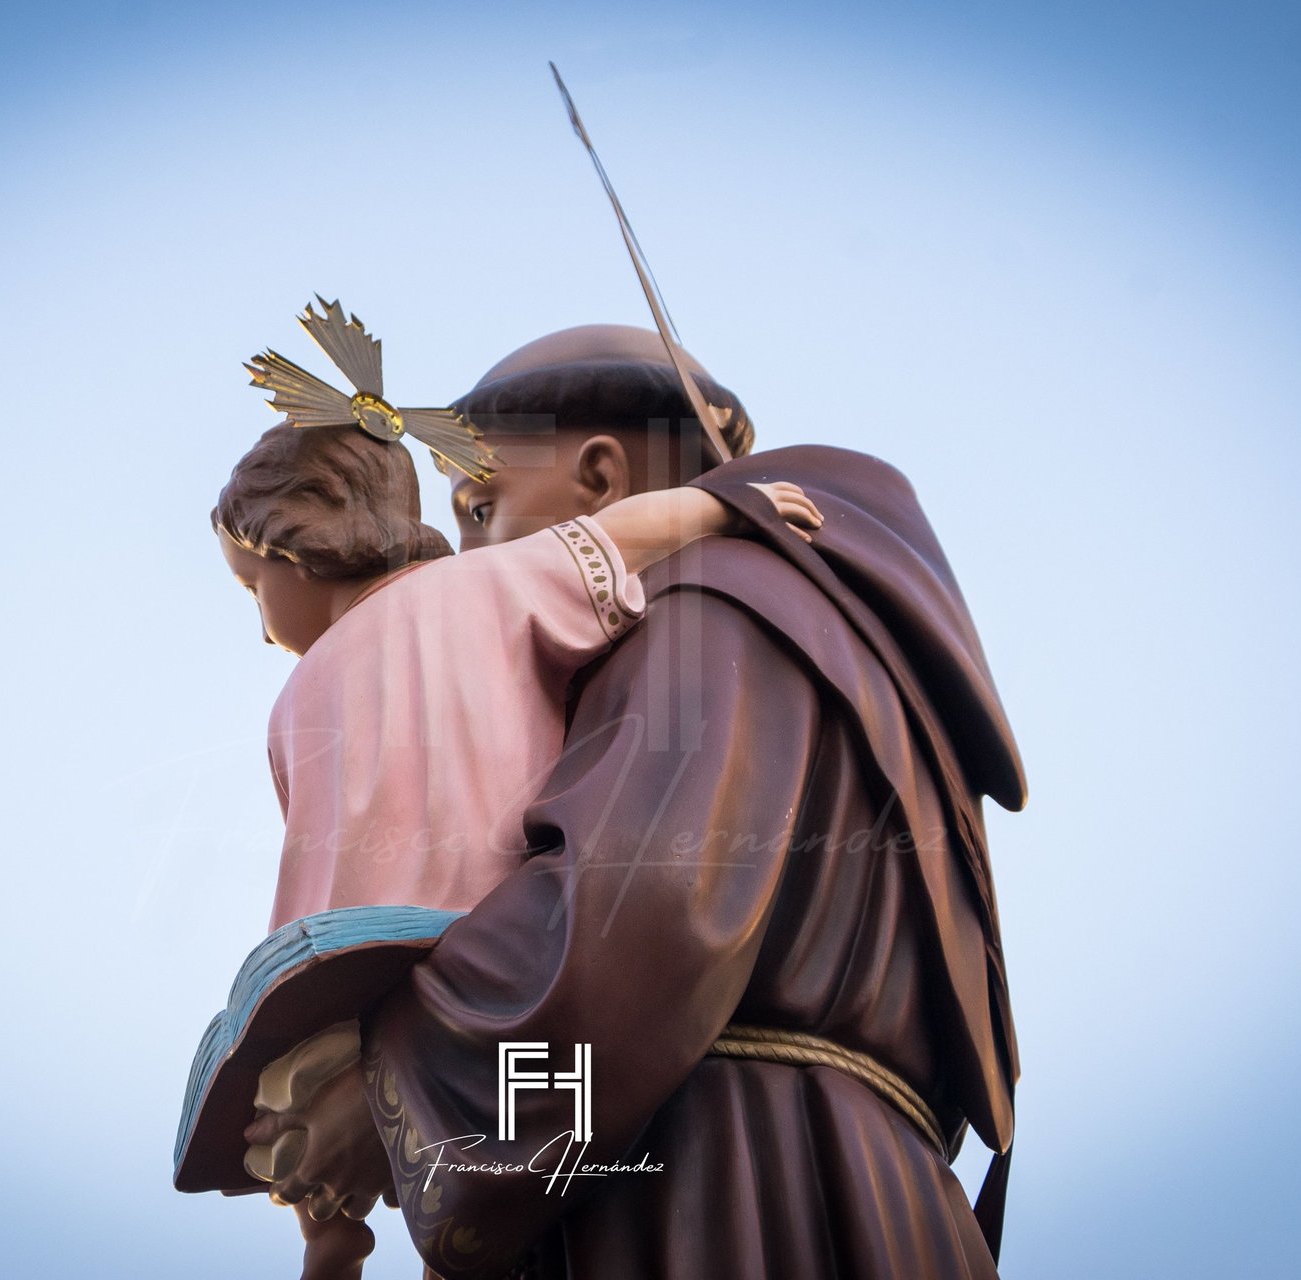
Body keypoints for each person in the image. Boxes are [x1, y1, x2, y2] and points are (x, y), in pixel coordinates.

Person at [244, 324, 1028, 1280]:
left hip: (720, 1188)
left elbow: (638, 920)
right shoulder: (834, 646)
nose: (466, 559)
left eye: (482, 509)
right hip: (842, 1190)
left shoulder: (708, 604)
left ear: (605, 481)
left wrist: (393, 1095)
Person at [209, 419, 822, 1277]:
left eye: (252, 586)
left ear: (297, 541)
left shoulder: (470, 591)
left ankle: (334, 1233)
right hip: (442, 926)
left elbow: (612, 535)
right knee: (332, 1102)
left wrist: (726, 505)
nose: (259, 624)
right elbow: (606, 542)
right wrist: (721, 508)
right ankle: (339, 1231)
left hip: (379, 939)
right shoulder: (478, 590)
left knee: (312, 1083)